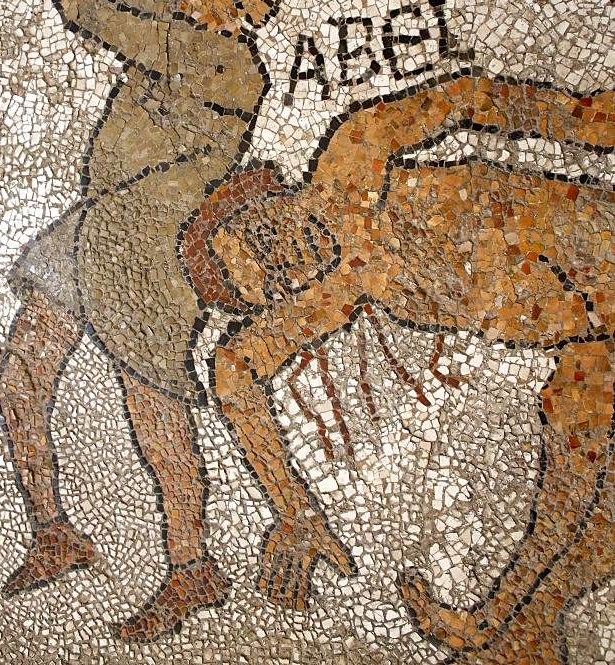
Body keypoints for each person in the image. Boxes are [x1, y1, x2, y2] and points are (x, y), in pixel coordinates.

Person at [0, 0, 346, 642]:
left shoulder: (231, 64)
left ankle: (192, 569)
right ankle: (54, 530)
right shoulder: (180, 16)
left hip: (152, 248)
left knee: (153, 411)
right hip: (96, 224)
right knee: (23, 374)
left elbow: (90, 3)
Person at [186, 71, 615, 662]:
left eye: (264, 238)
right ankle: (503, 626)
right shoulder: (335, 290)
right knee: (574, 453)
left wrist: (585, 119)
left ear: (267, 197)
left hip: (598, 246)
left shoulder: (351, 158)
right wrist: (294, 510)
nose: (288, 260)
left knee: (579, 476)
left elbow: (466, 98)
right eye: (276, 283)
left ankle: (506, 627)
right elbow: (234, 368)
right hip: (588, 333)